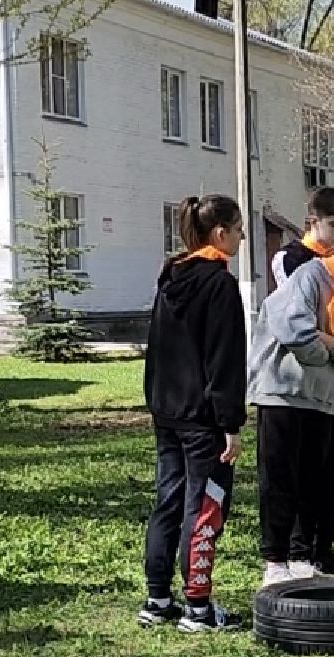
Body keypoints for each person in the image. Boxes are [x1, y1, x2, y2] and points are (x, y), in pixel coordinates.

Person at [250, 226, 334, 586]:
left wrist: (331, 344)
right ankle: (274, 558)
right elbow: (295, 332)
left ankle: (300, 551)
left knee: (313, 478)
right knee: (279, 477)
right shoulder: (308, 277)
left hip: (323, 398)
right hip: (284, 391)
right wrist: (331, 348)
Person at [140, 195, 247, 632]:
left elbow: (157, 351)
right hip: (203, 419)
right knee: (203, 505)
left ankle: (157, 598)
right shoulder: (219, 284)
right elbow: (224, 359)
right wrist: (231, 424)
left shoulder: (170, 277)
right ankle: (198, 609)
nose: (241, 237)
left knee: (168, 499)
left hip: (167, 412)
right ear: (219, 232)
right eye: (239, 229)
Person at [271, 188, 334, 572]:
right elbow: (305, 318)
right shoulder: (292, 259)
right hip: (307, 375)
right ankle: (296, 545)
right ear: (313, 222)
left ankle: (325, 543)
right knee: (303, 465)